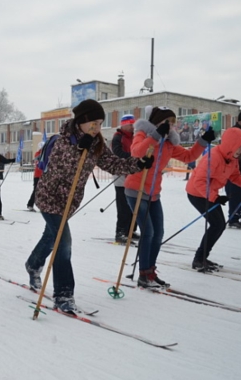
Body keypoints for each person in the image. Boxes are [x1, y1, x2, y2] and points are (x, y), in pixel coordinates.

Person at [25, 99, 152, 312]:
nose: (97, 128)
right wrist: (77, 148)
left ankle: (33, 264)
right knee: (63, 242)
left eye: (100, 123)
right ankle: (63, 294)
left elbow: (112, 164)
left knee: (51, 236)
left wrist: (137, 164)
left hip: (69, 202)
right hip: (49, 198)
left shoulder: (96, 144)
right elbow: (58, 169)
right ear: (82, 121)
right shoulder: (61, 141)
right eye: (93, 123)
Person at [124, 106, 213, 289]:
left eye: (173, 123)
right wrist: (155, 136)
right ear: (157, 122)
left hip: (154, 193)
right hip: (136, 190)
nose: (171, 126)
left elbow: (189, 156)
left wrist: (203, 141)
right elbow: (136, 153)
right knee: (148, 232)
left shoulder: (169, 143)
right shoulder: (142, 133)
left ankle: (150, 270)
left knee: (158, 233)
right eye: (167, 122)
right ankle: (143, 274)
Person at [186, 127, 241, 271]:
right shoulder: (213, 157)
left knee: (218, 225)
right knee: (217, 224)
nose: (240, 151)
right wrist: (215, 197)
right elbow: (199, 182)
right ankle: (199, 259)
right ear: (230, 145)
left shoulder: (232, 159)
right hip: (197, 193)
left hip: (209, 193)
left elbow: (235, 177)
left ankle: (202, 257)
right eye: (238, 148)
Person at [111, 115, 139, 243]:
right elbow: (117, 153)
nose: (132, 126)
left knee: (133, 204)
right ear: (123, 125)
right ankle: (121, 232)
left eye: (133, 124)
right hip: (121, 174)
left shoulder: (135, 136)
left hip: (132, 173)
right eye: (130, 124)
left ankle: (130, 230)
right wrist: (134, 157)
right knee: (123, 205)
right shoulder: (118, 137)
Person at [225, 110, 241, 229]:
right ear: (239, 120)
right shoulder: (232, 132)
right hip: (233, 168)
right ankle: (233, 218)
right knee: (235, 194)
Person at [26, 141, 44, 211]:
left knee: (43, 191)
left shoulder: (44, 154)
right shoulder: (38, 154)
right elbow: (37, 162)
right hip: (38, 175)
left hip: (43, 175)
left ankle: (43, 206)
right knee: (36, 191)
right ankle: (30, 204)